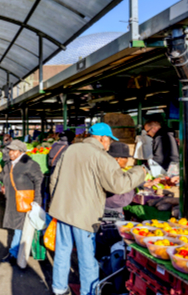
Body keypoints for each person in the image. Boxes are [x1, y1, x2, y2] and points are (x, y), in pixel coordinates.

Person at [49, 123, 146, 295]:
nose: (108, 145)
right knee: (87, 258)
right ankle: (89, 291)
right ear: (103, 138)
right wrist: (139, 171)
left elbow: (54, 179)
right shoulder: (101, 157)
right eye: (109, 140)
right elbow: (119, 185)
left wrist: (57, 203)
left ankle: (59, 288)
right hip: (84, 215)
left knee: (62, 250)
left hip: (63, 211)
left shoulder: (70, 150)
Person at [0, 140, 43, 264]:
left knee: (19, 227)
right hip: (12, 200)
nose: (10, 153)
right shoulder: (9, 164)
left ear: (21, 151)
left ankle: (14, 253)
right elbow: (4, 177)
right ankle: (18, 251)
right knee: (17, 226)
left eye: (13, 150)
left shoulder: (30, 164)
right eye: (9, 150)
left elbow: (39, 181)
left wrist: (37, 200)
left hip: (24, 200)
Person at [105, 142, 136, 215]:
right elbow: (121, 201)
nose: (127, 160)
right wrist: (132, 186)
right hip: (110, 214)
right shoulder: (113, 174)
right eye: (125, 157)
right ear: (117, 159)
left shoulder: (107, 169)